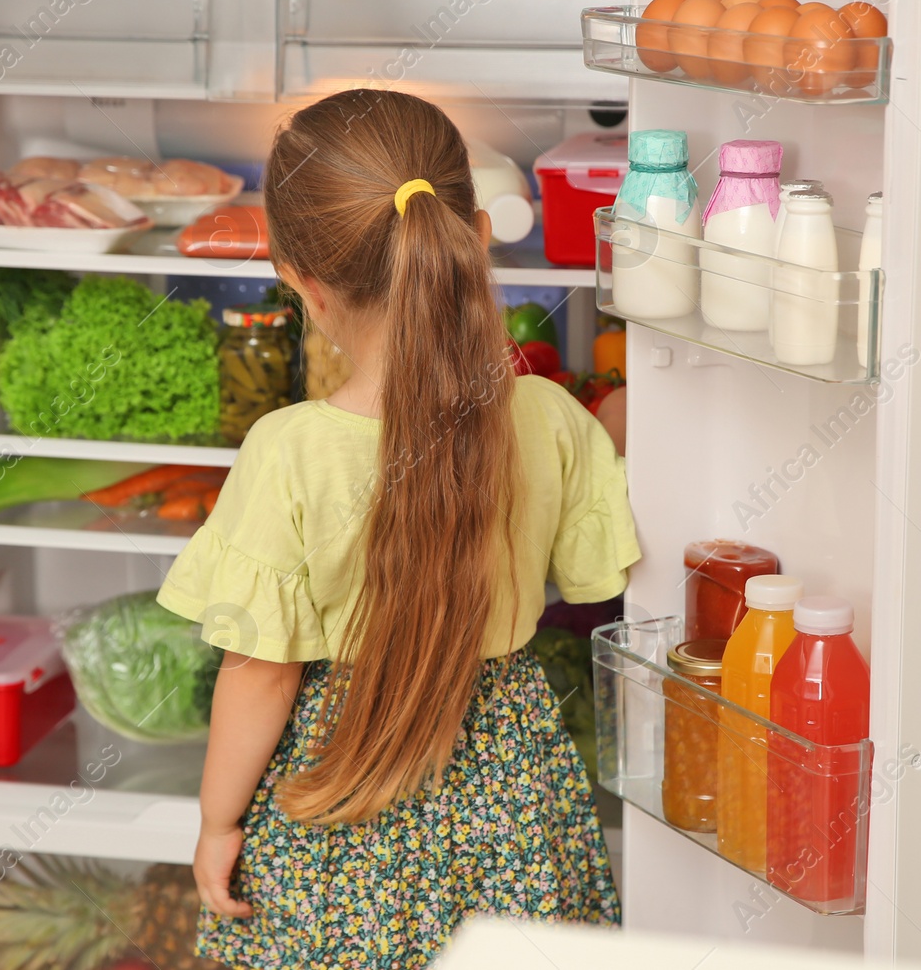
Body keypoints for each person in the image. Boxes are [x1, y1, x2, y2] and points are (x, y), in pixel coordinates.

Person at [156, 88, 640, 970]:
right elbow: (597, 575)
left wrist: (217, 820)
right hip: (509, 779)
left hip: (344, 786)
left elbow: (261, 673)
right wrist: (612, 427)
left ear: (299, 279)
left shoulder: (289, 450)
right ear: (475, 237)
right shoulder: (546, 416)